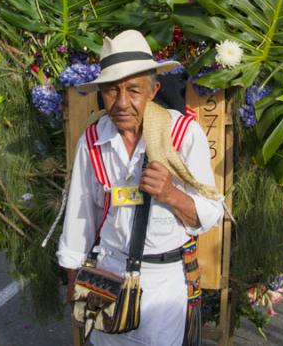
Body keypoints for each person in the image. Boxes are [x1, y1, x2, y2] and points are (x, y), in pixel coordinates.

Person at [57, 29, 223, 346]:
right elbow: (81, 216)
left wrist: (171, 195)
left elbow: (211, 212)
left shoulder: (183, 135)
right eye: (111, 91)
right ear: (101, 93)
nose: (121, 102)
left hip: (164, 284)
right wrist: (73, 279)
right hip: (107, 277)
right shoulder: (93, 141)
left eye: (133, 90)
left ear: (153, 89)